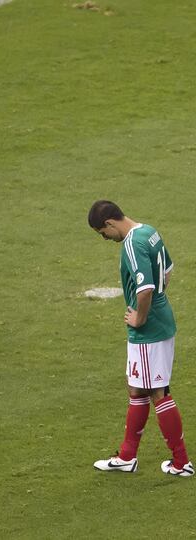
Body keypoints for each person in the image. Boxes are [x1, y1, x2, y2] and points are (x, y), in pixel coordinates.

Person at [88, 200, 193, 477]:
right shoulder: (149, 231)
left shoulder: (132, 244)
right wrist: (156, 301)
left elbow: (145, 288)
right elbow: (167, 270)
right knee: (136, 388)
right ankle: (127, 457)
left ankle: (181, 463)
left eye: (102, 233)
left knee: (158, 392)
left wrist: (140, 317)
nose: (105, 239)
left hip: (149, 330)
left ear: (110, 223)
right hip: (161, 321)